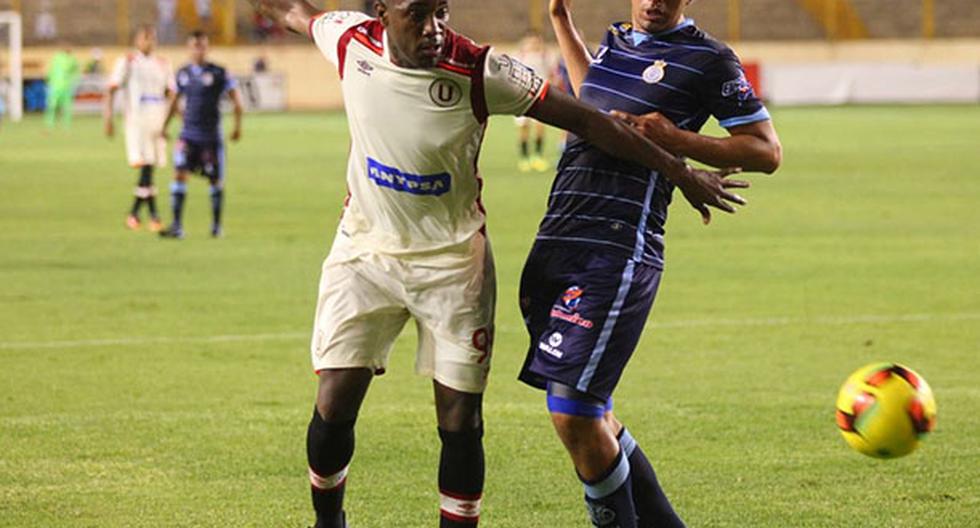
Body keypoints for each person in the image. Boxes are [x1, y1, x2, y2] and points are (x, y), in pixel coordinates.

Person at [247, 1, 745, 527]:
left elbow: (588, 121)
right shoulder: (349, 39)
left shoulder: (481, 70)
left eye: (441, 12)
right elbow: (290, 10)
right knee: (333, 407)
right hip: (364, 254)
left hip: (453, 264)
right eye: (417, 14)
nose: (434, 28)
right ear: (381, 14)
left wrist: (681, 172)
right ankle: (330, 521)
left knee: (461, 421)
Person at [518, 1, 783, 527]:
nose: (653, 1)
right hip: (559, 233)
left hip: (617, 246)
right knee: (593, 414)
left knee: (572, 414)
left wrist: (676, 140)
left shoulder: (709, 60)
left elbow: (766, 150)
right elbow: (590, 95)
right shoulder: (616, 39)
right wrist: (561, 22)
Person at [159, 30, 244, 239]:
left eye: (202, 46)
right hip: (188, 135)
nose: (198, 50)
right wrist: (164, 126)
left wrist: (237, 127)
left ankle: (216, 227)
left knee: (215, 180)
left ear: (207, 48)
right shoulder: (183, 73)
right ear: (189, 49)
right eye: (194, 46)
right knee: (179, 173)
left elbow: (237, 101)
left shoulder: (219, 72)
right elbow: (174, 102)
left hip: (211, 137)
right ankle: (177, 226)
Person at [104, 25, 175, 232]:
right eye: (145, 38)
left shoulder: (164, 63)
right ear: (137, 40)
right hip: (137, 121)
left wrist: (173, 118)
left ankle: (139, 215)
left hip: (158, 120)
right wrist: (108, 118)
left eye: (152, 38)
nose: (149, 42)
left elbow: (172, 93)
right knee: (146, 166)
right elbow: (112, 89)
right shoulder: (127, 61)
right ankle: (149, 215)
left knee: (149, 168)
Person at [514, 31, 556, 173]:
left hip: (540, 97)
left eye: (536, 41)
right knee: (524, 127)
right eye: (531, 41)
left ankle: (537, 156)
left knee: (540, 127)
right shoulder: (519, 56)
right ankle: (524, 158)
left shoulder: (545, 56)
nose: (534, 44)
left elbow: (551, 75)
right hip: (522, 97)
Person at [45, 47, 80, 130]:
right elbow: (51, 71)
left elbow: (76, 71)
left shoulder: (70, 59)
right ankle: (50, 124)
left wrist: (73, 80)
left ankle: (65, 125)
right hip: (56, 86)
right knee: (54, 106)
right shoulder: (58, 58)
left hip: (63, 86)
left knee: (63, 107)